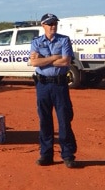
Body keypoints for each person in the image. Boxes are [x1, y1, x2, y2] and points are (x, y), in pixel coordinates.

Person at [29, 13, 78, 168]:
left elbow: (66, 61)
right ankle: (46, 154)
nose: (53, 26)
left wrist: (44, 60)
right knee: (45, 120)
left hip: (59, 85)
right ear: (43, 25)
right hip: (42, 85)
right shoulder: (36, 42)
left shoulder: (64, 40)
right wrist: (53, 57)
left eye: (55, 24)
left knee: (64, 120)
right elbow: (34, 62)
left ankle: (68, 155)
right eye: (49, 24)